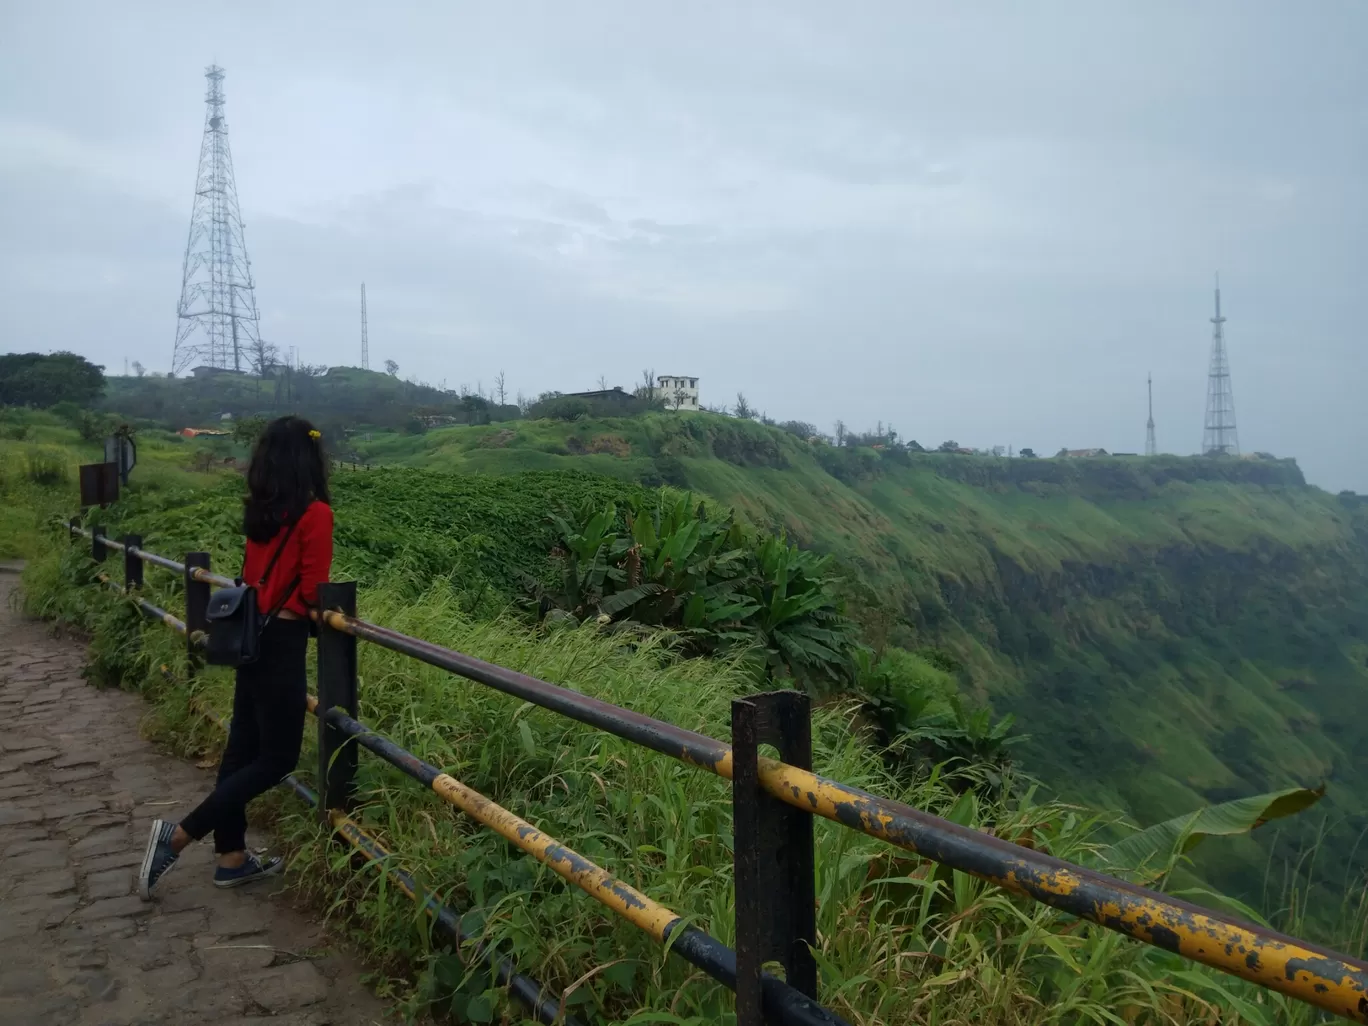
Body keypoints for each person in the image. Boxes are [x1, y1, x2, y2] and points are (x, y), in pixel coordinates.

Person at [138, 415, 334, 898]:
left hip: (248, 638)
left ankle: (232, 857)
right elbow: (313, 590)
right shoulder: (315, 514)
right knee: (277, 758)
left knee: (241, 750)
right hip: (283, 643)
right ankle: (179, 835)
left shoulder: (263, 510)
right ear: (309, 458)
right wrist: (329, 615)